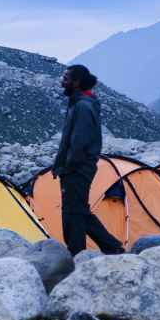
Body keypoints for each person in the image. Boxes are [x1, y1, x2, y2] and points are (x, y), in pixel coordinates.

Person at [52, 65, 125, 256]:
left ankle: (78, 253)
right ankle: (110, 247)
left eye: (66, 78)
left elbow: (79, 142)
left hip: (78, 168)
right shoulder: (79, 103)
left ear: (76, 82)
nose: (62, 81)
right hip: (77, 166)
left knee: (72, 212)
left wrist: (67, 167)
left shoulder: (83, 106)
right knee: (79, 210)